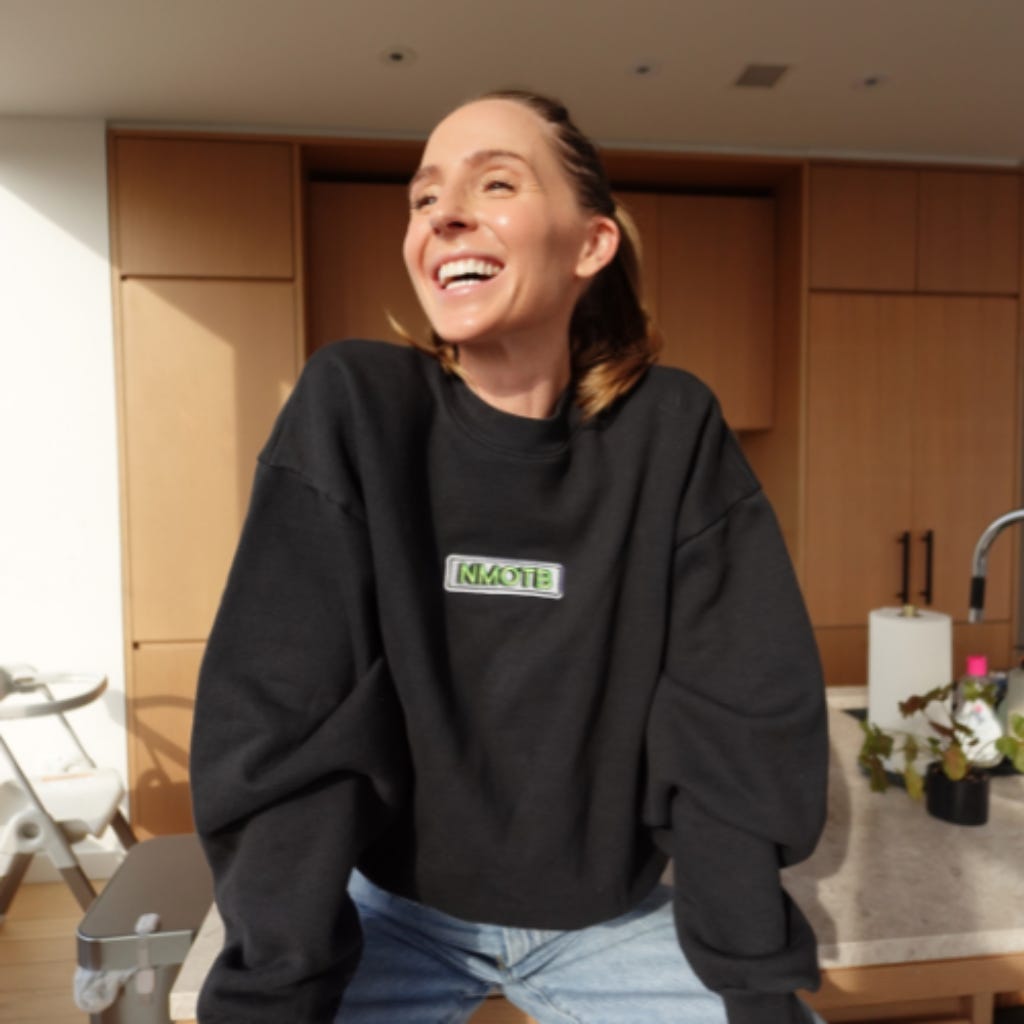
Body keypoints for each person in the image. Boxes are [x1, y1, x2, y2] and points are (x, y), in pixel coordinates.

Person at [190, 89, 829, 1024]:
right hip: (388, 916)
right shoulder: (356, 407)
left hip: (612, 922)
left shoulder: (671, 431)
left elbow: (732, 722)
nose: (443, 215)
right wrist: (276, 983)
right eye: (424, 197)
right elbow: (285, 713)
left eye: (495, 183)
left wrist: (755, 983)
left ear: (590, 244)